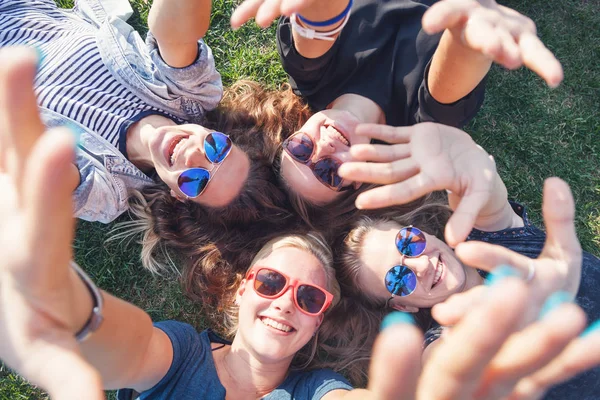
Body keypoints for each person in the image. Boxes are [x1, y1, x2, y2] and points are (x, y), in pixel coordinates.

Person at [1, 82, 600, 400]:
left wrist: (68, 306)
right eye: (399, 273)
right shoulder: (321, 382)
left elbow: (127, 352)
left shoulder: (503, 247)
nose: (419, 265)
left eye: (308, 298)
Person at [336, 122, 600, 398]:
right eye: (399, 279)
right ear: (404, 306)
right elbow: (445, 366)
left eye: (409, 243)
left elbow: (489, 198)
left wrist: (470, 164)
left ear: (424, 232)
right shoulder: (442, 342)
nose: (422, 265)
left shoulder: (493, 236)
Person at [231, 0, 564, 214]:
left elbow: (320, 13)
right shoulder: (425, 122)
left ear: (292, 133)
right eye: (330, 173)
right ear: (359, 181)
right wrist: (468, 28)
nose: (325, 149)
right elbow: (465, 43)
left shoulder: (308, 71)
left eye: (302, 149)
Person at [0, 0, 290, 227]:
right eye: (217, 149)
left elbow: (40, 171)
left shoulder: (107, 193)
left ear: (179, 196)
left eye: (196, 181)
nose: (193, 156)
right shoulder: (191, 95)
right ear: (223, 135)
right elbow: (174, 31)